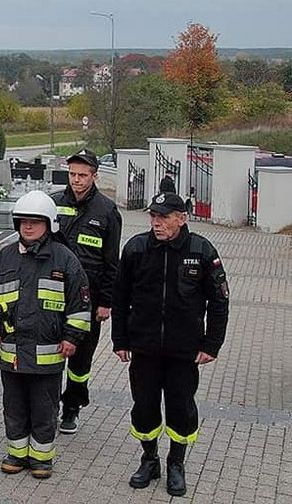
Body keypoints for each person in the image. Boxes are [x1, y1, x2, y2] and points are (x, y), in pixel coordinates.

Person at [112, 192, 229, 497]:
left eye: (163, 217)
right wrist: (120, 339)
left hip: (184, 351)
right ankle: (149, 459)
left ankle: (176, 462)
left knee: (181, 408)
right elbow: (120, 297)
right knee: (145, 407)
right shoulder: (136, 248)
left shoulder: (201, 250)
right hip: (145, 348)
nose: (156, 223)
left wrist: (211, 344)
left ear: (182, 218)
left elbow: (219, 301)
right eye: (153, 216)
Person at [0, 190, 90, 479]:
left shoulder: (65, 260)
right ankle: (16, 453)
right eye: (23, 222)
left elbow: (79, 306)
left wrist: (71, 338)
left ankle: (42, 458)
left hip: (49, 353)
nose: (27, 227)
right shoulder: (5, 258)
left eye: (35, 222)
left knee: (44, 407)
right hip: (13, 352)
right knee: (14, 406)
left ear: (49, 224)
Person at [51, 149, 122, 433]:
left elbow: (111, 261)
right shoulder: (54, 202)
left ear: (94, 176)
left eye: (82, 175)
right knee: (52, 352)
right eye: (72, 175)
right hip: (54, 293)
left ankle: (72, 407)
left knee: (80, 360)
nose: (77, 180)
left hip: (88, 299)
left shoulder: (106, 211)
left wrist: (106, 302)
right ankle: (48, 405)